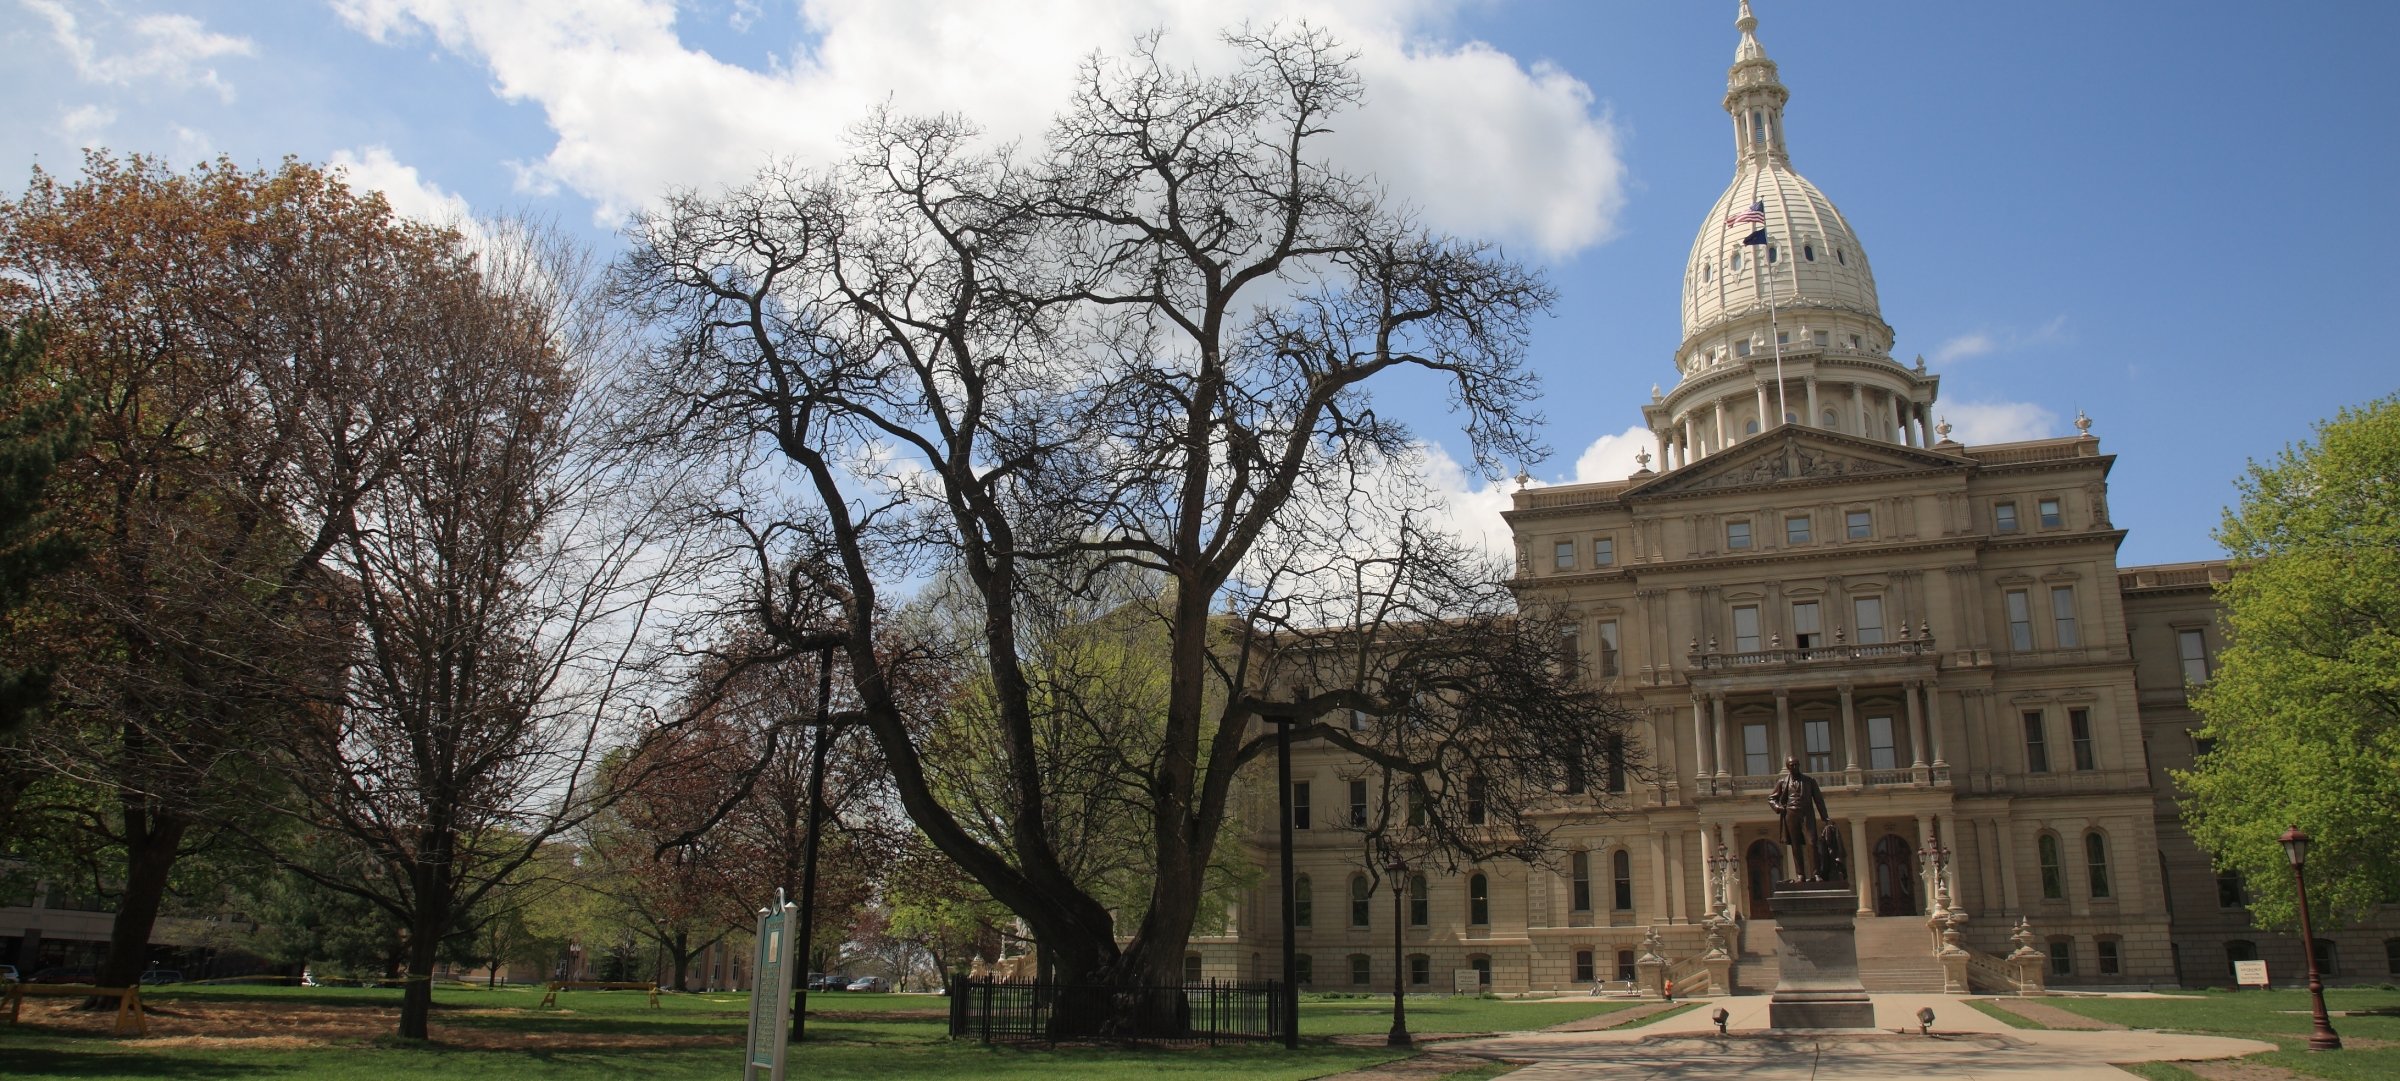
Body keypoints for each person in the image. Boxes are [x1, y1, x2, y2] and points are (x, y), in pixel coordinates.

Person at [1767, 756, 1832, 881]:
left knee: (1812, 843)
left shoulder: (1809, 781)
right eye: (1792, 765)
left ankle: (1816, 874)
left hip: (1807, 814)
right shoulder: (1782, 782)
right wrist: (1779, 808)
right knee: (1795, 846)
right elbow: (1771, 798)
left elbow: (1819, 800)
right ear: (1788, 767)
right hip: (1790, 814)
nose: (1795, 767)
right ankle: (1800, 874)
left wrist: (1825, 817)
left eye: (1796, 764)